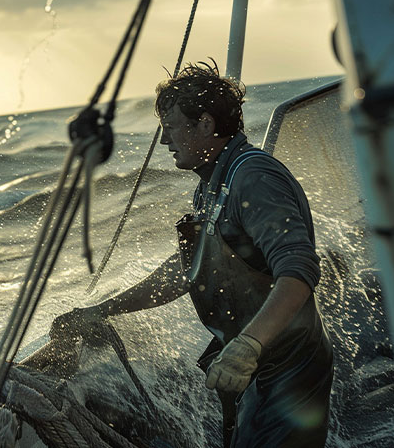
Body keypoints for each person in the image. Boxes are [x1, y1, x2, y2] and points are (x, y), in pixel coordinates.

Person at [50, 61, 334, 447]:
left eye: (171, 127)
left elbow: (298, 271)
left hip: (287, 368)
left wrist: (247, 347)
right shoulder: (211, 186)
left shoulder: (253, 177)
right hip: (252, 367)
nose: (165, 141)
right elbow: (185, 272)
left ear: (205, 124)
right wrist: (104, 309)